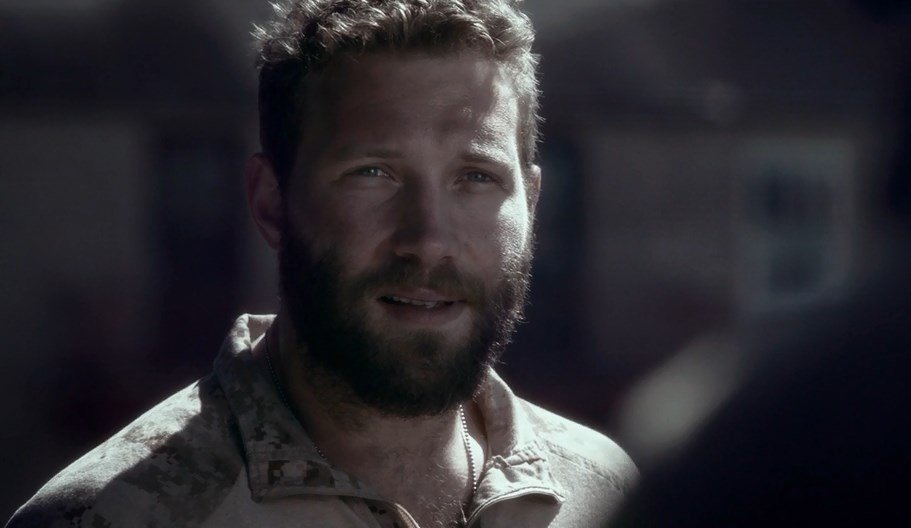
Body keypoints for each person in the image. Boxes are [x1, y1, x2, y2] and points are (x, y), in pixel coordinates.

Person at [7, 1, 637, 526]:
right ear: (272, 202)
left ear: (531, 204)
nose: (428, 240)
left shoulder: (610, 495)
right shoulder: (112, 515)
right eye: (373, 173)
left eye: (476, 177)